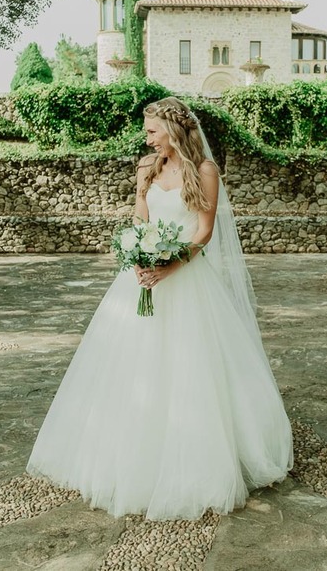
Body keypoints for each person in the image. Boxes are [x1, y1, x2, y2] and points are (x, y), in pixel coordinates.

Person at [27, 96, 293, 520]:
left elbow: (204, 233)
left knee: (195, 369)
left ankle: (198, 459)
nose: (146, 138)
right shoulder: (147, 168)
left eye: (152, 130)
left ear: (172, 129)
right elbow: (141, 218)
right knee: (129, 368)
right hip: (141, 276)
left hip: (187, 277)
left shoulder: (204, 171)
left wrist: (170, 264)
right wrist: (139, 246)